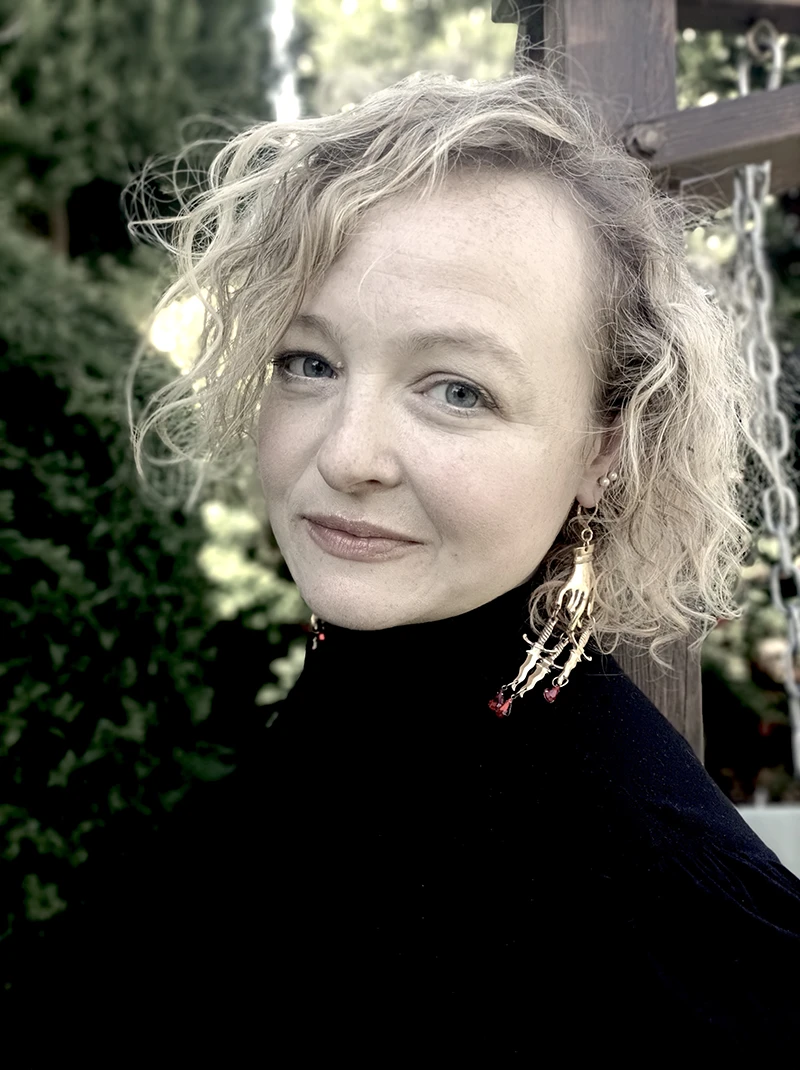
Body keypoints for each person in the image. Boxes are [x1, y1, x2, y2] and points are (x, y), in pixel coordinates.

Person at [16, 62, 800, 1051]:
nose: (345, 454)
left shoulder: (664, 904)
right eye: (308, 363)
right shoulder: (328, 744)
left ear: (604, 445)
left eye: (455, 389)